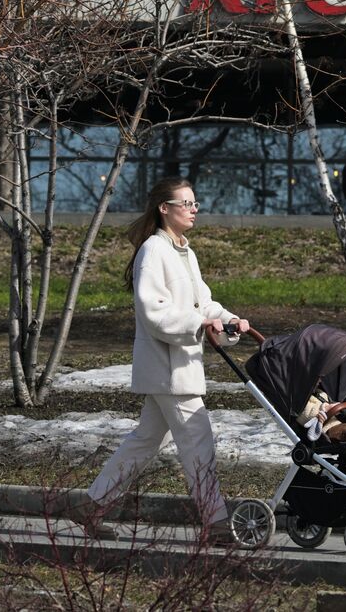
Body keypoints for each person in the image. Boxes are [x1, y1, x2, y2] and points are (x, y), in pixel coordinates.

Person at [57, 176, 248, 538]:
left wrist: (228, 320)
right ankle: (216, 521)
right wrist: (199, 323)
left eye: (195, 203)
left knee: (146, 440)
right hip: (168, 367)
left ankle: (92, 504)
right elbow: (154, 312)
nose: (194, 210)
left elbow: (202, 303)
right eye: (186, 204)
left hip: (180, 365)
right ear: (165, 209)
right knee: (197, 440)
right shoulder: (153, 251)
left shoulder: (185, 253)